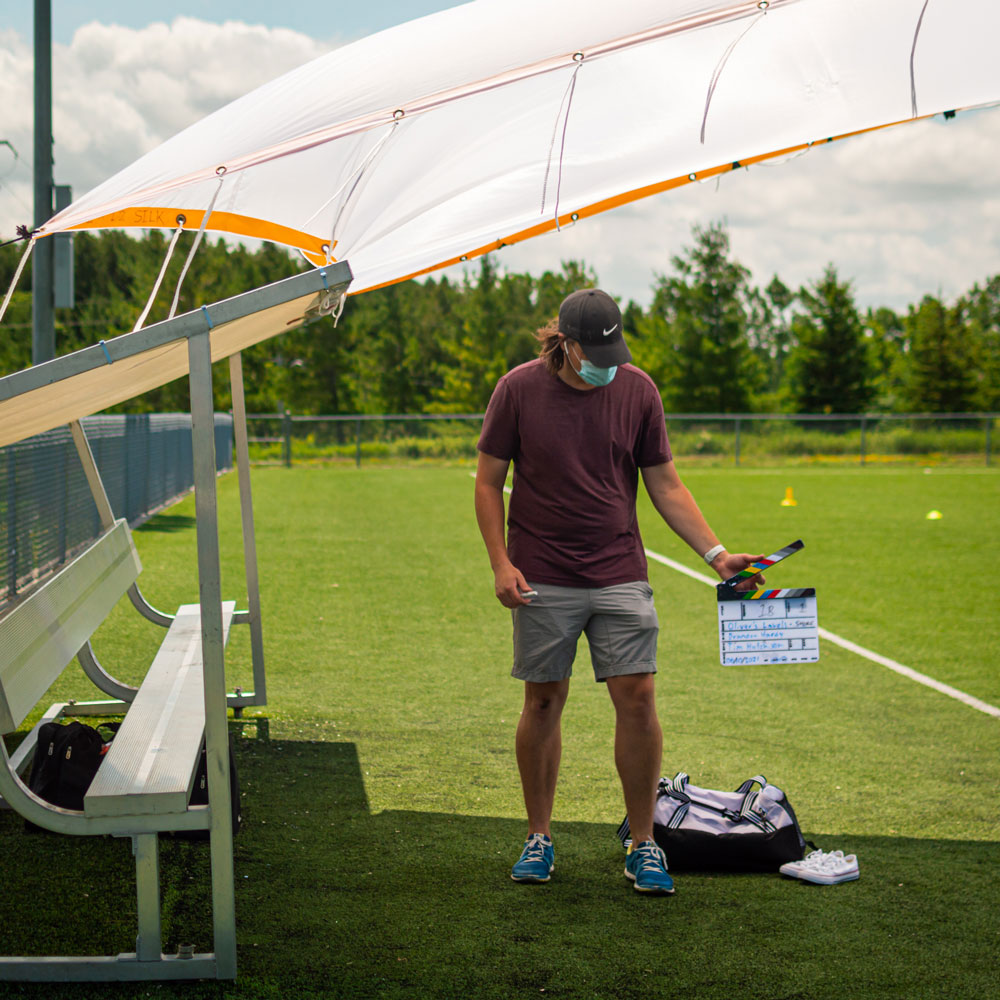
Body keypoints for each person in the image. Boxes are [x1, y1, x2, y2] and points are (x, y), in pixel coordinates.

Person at [474, 288, 764, 895]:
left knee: (639, 699)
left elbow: (666, 485)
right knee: (543, 702)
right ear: (566, 344)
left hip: (620, 571)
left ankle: (644, 844)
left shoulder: (638, 391)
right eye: (597, 353)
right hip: (542, 575)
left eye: (615, 352)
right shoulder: (517, 389)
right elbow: (488, 482)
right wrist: (501, 563)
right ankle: (538, 837)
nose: (608, 364)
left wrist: (718, 556)